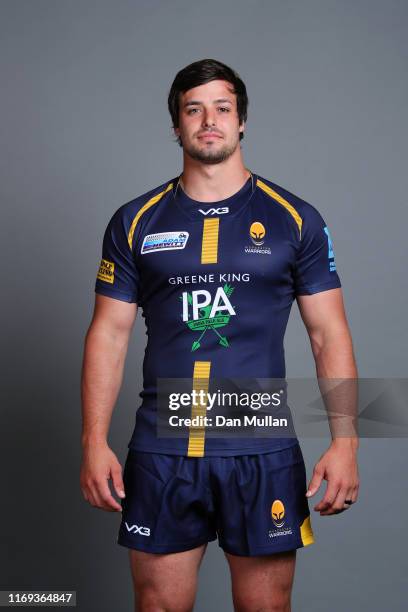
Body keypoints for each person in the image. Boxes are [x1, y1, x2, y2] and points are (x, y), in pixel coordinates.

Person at [80, 58, 359, 612]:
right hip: (163, 447)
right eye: (194, 109)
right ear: (177, 126)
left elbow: (330, 334)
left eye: (222, 108)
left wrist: (349, 442)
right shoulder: (135, 220)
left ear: (242, 121)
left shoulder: (295, 217)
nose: (209, 120)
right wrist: (91, 441)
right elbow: (107, 335)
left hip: (262, 444)